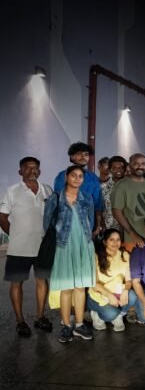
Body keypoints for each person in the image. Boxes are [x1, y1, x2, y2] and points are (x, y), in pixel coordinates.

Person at [0, 157, 54, 337]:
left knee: (42, 280)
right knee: (17, 282)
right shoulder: (12, 191)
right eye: (27, 167)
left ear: (40, 171)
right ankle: (20, 321)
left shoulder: (47, 190)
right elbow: (2, 217)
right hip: (19, 247)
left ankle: (40, 317)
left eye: (35, 167)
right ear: (20, 171)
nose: (32, 170)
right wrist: (15, 234)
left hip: (43, 246)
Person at [44, 165, 96, 343]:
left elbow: (91, 221)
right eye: (73, 175)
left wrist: (86, 240)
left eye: (80, 176)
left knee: (80, 287)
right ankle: (66, 325)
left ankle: (79, 324)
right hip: (63, 246)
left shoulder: (87, 198)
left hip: (83, 245)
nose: (77, 178)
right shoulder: (55, 198)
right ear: (66, 177)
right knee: (66, 288)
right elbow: (47, 224)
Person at [87, 229, 138, 332]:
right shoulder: (96, 256)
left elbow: (128, 280)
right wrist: (109, 295)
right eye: (111, 240)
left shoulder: (124, 255)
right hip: (99, 294)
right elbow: (93, 284)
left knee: (132, 296)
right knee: (110, 314)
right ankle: (96, 314)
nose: (115, 243)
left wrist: (126, 290)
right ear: (104, 242)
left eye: (118, 239)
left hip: (117, 292)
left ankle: (119, 315)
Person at [53, 142, 103, 237]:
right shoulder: (62, 176)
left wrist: (98, 226)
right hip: (67, 226)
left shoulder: (93, 178)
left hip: (88, 225)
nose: (83, 157)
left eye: (86, 154)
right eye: (79, 154)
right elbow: (58, 202)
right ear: (72, 157)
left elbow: (98, 204)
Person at [112, 153, 145, 251]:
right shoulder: (121, 185)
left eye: (143, 164)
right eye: (136, 164)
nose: (140, 166)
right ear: (129, 166)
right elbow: (116, 212)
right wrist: (132, 234)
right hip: (132, 239)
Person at [101, 155, 127, 231]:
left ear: (125, 169)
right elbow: (99, 209)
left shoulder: (130, 186)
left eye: (121, 168)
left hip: (128, 229)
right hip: (109, 228)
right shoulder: (103, 188)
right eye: (114, 168)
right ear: (110, 170)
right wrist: (102, 226)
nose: (118, 170)